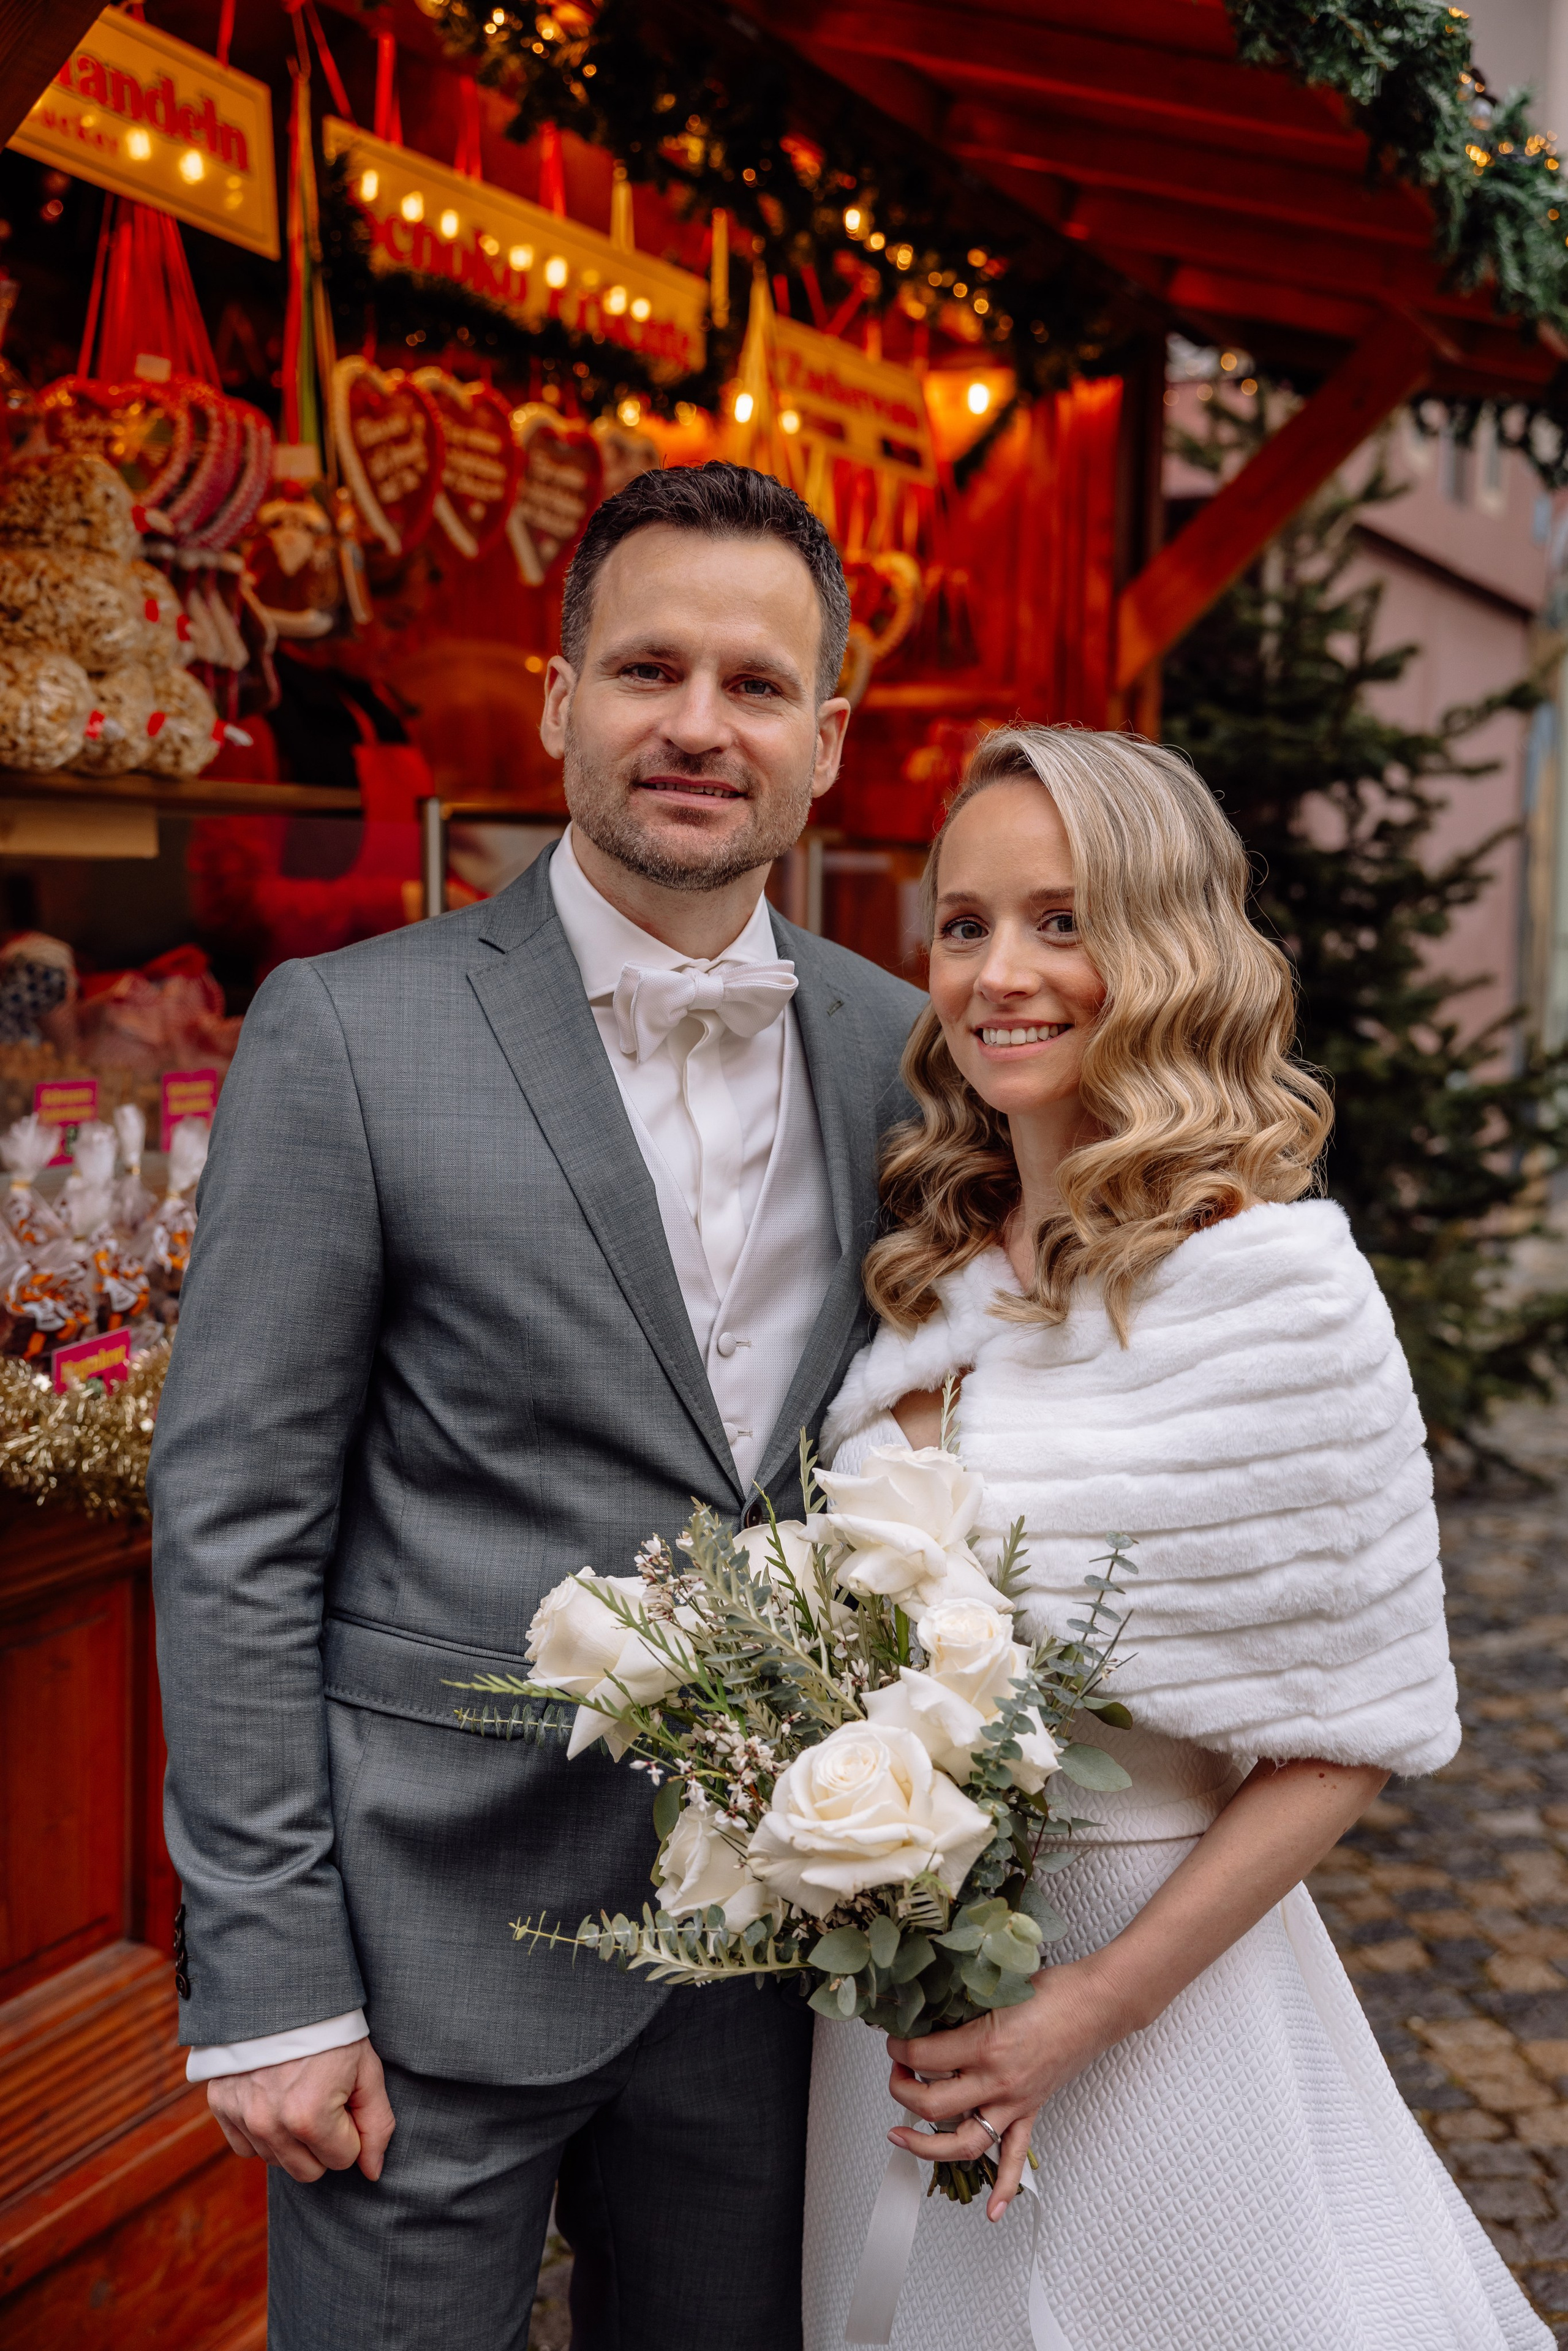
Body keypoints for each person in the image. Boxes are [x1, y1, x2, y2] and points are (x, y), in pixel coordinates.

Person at [148, 461, 923, 2350]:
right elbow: (238, 1517)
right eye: (649, 668)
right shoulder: (350, 1033)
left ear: (823, 741)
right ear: (563, 696)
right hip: (425, 1955)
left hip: (764, 1968)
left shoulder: (903, 1049)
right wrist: (269, 1976)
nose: (697, 725)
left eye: (755, 687)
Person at [808, 725, 1549, 2350]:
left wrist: (1079, 2013)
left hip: (1150, 2007)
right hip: (891, 2028)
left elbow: (1345, 1746)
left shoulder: (1275, 1291)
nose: (1003, 972)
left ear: (1164, 949)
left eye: (1063, 922)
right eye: (966, 923)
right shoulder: (930, 1268)